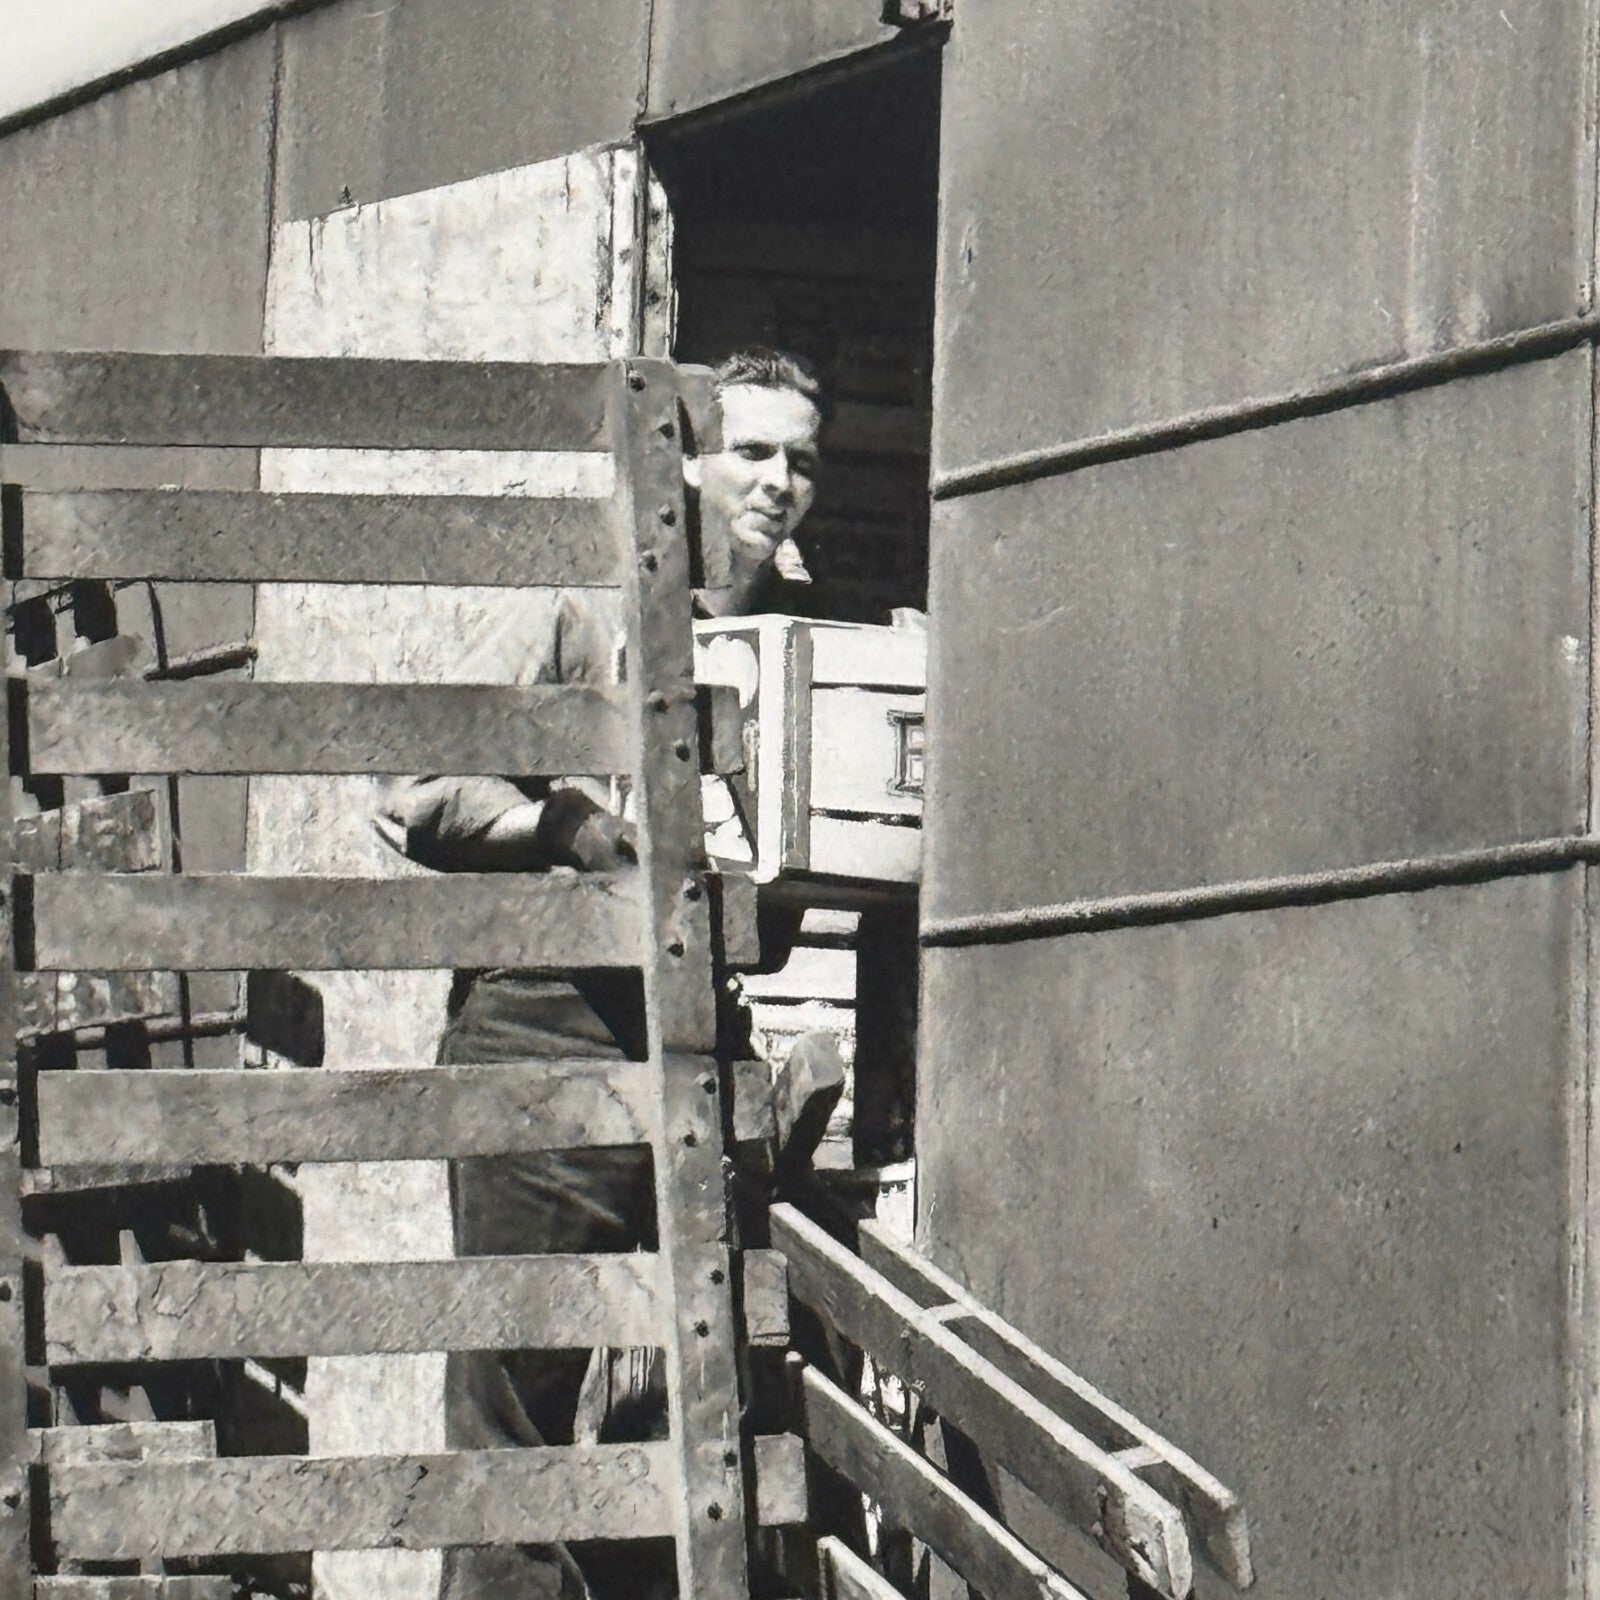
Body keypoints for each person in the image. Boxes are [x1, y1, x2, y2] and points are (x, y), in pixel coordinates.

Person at [374, 349, 826, 1600]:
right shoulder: (579, 599)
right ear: (677, 456)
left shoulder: (782, 636)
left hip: (692, 1048)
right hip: (545, 1038)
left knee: (674, 1412)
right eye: (755, 451)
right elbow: (411, 794)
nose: (781, 482)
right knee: (517, 1411)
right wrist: (562, 824)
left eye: (802, 460)